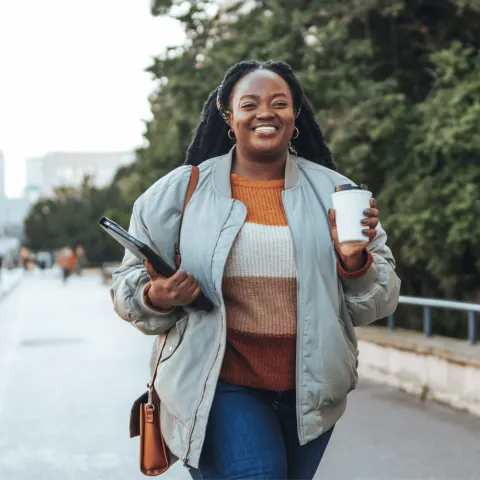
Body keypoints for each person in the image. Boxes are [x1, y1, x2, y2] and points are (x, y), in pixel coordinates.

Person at [111, 60, 401, 479]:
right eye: (250, 104)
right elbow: (127, 283)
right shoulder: (181, 190)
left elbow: (378, 300)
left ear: (294, 116)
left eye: (279, 103)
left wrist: (355, 261)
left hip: (311, 393)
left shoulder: (337, 194)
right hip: (218, 386)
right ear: (228, 116)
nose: (265, 112)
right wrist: (156, 296)